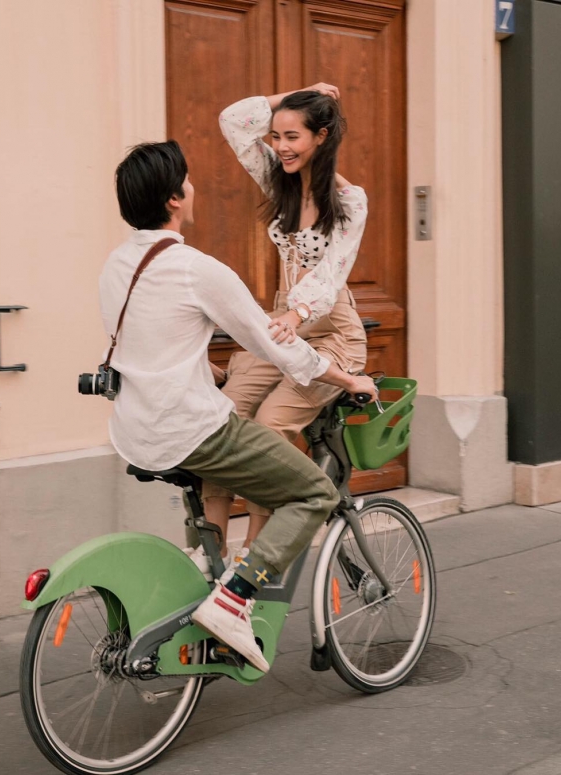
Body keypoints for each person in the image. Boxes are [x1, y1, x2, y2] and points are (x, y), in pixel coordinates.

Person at [99, 139, 377, 673]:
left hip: (134, 431)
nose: (193, 185)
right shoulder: (197, 268)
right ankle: (232, 602)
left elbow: (150, 342)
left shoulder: (116, 266)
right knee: (313, 492)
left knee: (230, 451)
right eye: (188, 179)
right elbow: (280, 347)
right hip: (190, 431)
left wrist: (210, 371)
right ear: (175, 199)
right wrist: (348, 378)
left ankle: (204, 565)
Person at [200, 83, 369, 579]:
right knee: (224, 416)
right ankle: (209, 561)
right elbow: (232, 119)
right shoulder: (279, 182)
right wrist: (296, 94)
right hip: (278, 326)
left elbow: (332, 271)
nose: (281, 147)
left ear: (321, 136)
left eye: (292, 136)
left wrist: (295, 316)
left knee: (269, 427)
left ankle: (250, 569)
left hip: (330, 331)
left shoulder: (349, 200)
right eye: (275, 137)